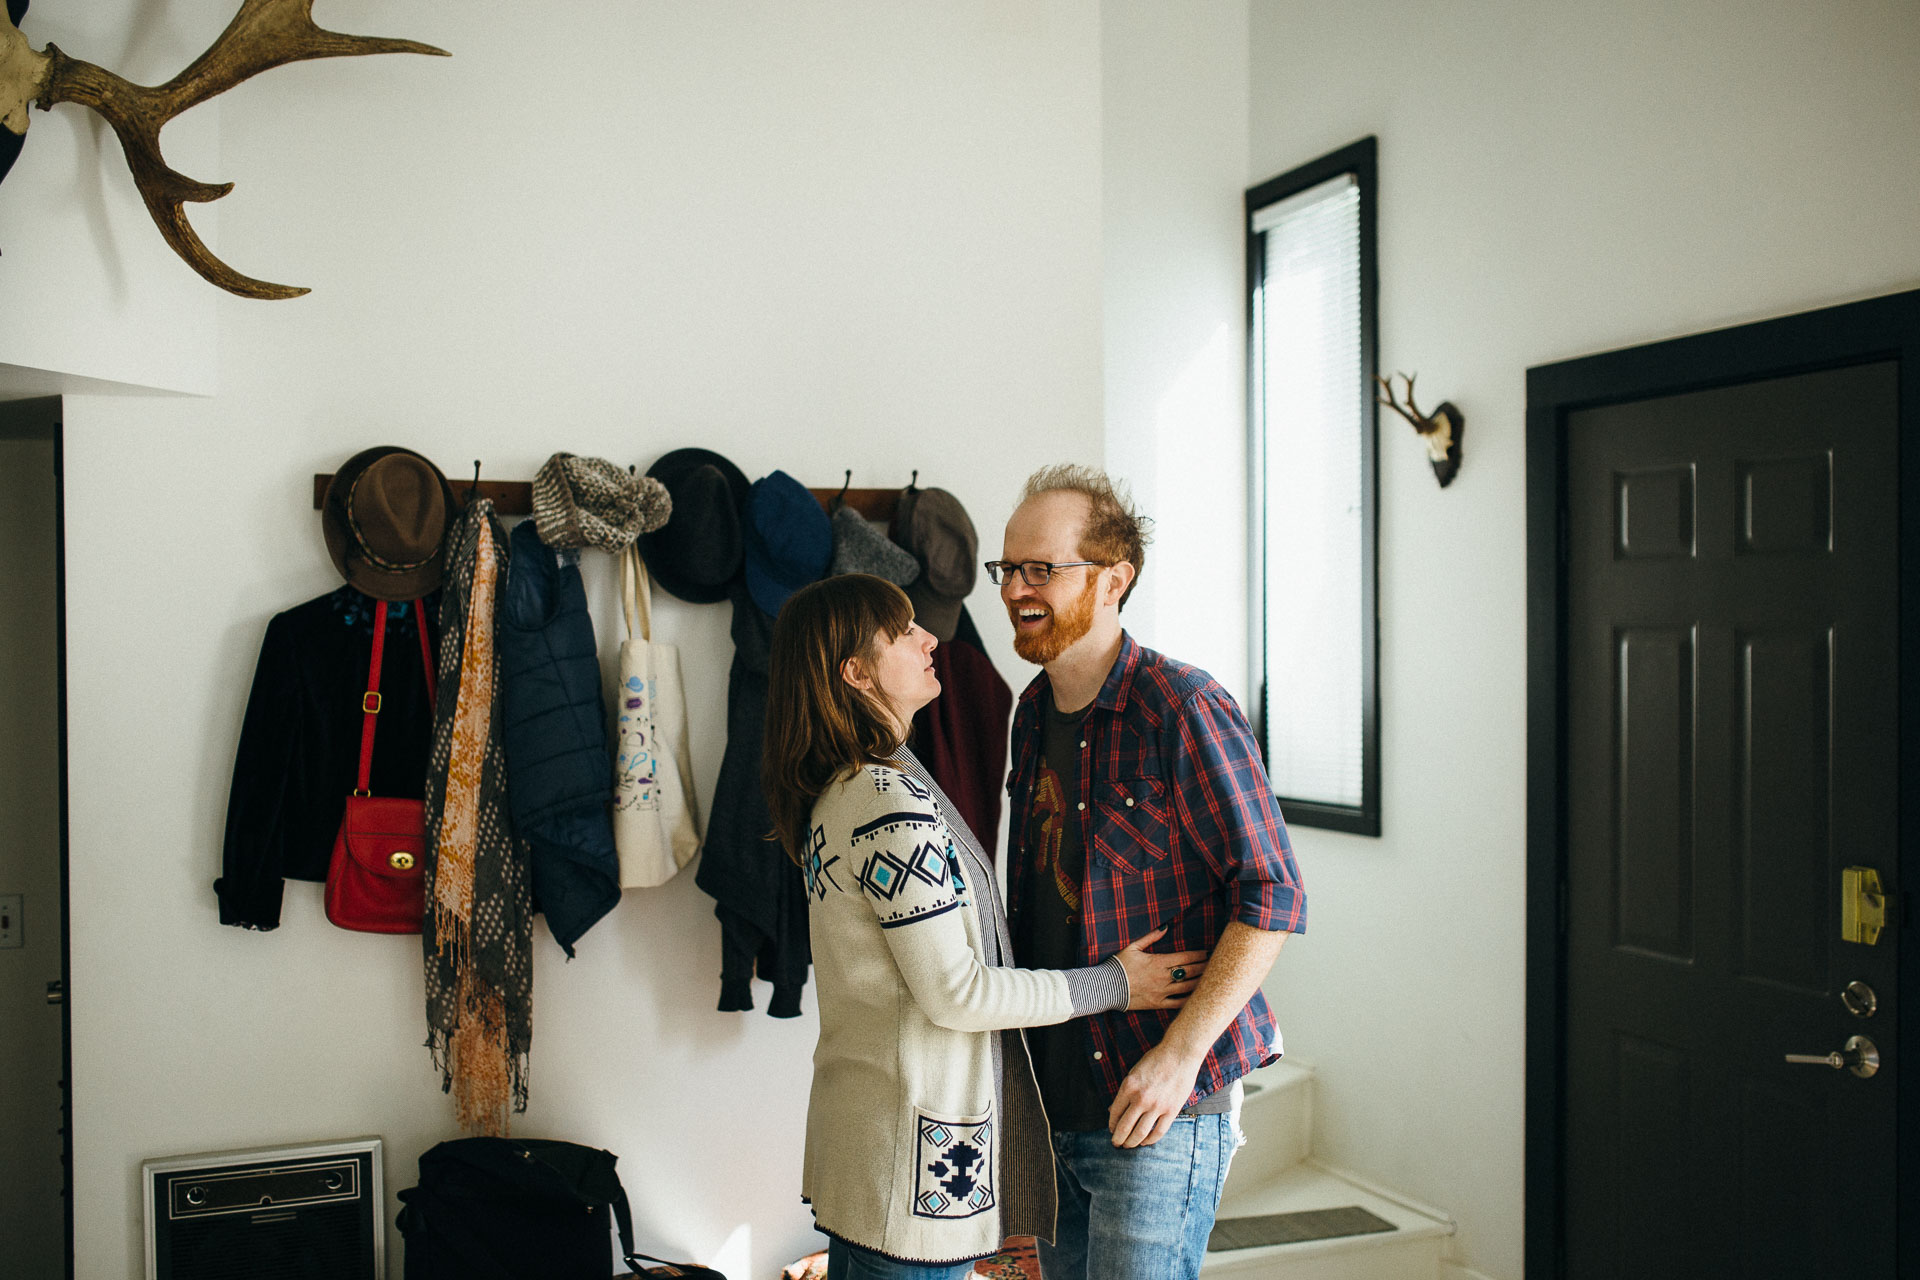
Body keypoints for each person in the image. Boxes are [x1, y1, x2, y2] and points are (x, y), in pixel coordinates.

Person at [763, 574, 1208, 1280]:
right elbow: (957, 994)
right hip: (913, 1162)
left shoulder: (843, 789)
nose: (928, 638)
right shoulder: (886, 800)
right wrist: (1115, 984)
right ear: (856, 672)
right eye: (902, 632)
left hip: (867, 1144)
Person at [989, 465, 1307, 1280]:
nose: (1016, 589)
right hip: (1053, 1101)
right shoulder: (1030, 712)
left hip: (1160, 1105)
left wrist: (1180, 1057)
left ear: (1113, 578)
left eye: (1041, 569)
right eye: (1008, 568)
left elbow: (1272, 891)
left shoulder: (1184, 706)